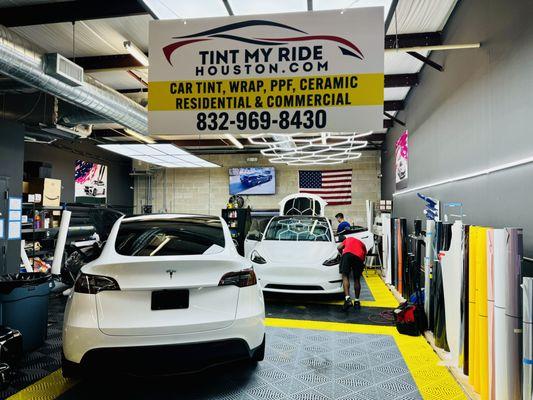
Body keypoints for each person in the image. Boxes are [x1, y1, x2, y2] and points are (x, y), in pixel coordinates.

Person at [337, 235, 367, 311]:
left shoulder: (348, 239)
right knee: (357, 279)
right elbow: (364, 255)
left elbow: (339, 247)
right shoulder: (361, 243)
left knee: (345, 276)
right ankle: (356, 301)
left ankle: (348, 299)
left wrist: (342, 254)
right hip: (359, 257)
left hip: (347, 255)